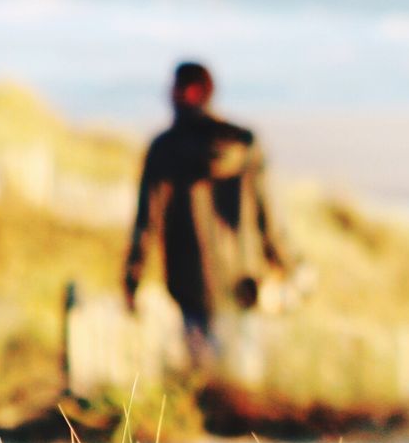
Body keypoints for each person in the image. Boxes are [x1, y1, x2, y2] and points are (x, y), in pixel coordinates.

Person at [124, 62, 292, 364]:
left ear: (189, 92)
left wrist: (132, 280)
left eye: (174, 88)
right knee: (243, 382)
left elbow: (146, 223)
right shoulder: (245, 145)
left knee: (203, 378)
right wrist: (285, 264)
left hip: (190, 284)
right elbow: (270, 216)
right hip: (244, 281)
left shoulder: (165, 150)